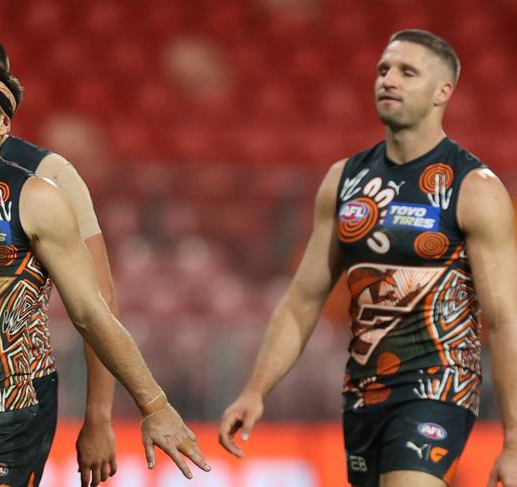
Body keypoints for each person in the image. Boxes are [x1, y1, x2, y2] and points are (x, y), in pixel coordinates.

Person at [0, 48, 210, 486]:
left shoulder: (36, 198)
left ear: (3, 124)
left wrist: (154, 405)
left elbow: (91, 312)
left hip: (10, 416)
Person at [218, 29, 517, 487]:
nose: (388, 80)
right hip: (363, 393)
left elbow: (505, 320)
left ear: (443, 92)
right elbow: (302, 300)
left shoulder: (474, 188)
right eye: (383, 70)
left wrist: (514, 441)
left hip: (437, 389)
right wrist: (255, 391)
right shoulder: (345, 180)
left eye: (406, 72)